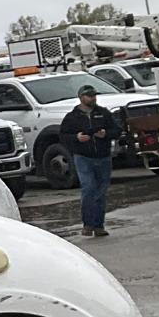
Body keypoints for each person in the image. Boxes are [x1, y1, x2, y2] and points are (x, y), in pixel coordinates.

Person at [61, 84, 121, 237]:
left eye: (94, 95)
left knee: (101, 191)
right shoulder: (72, 117)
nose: (93, 98)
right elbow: (63, 136)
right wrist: (77, 137)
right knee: (88, 188)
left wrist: (105, 133)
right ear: (81, 98)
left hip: (103, 157)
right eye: (89, 96)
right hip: (83, 158)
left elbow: (117, 130)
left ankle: (99, 225)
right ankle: (88, 224)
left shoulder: (103, 113)